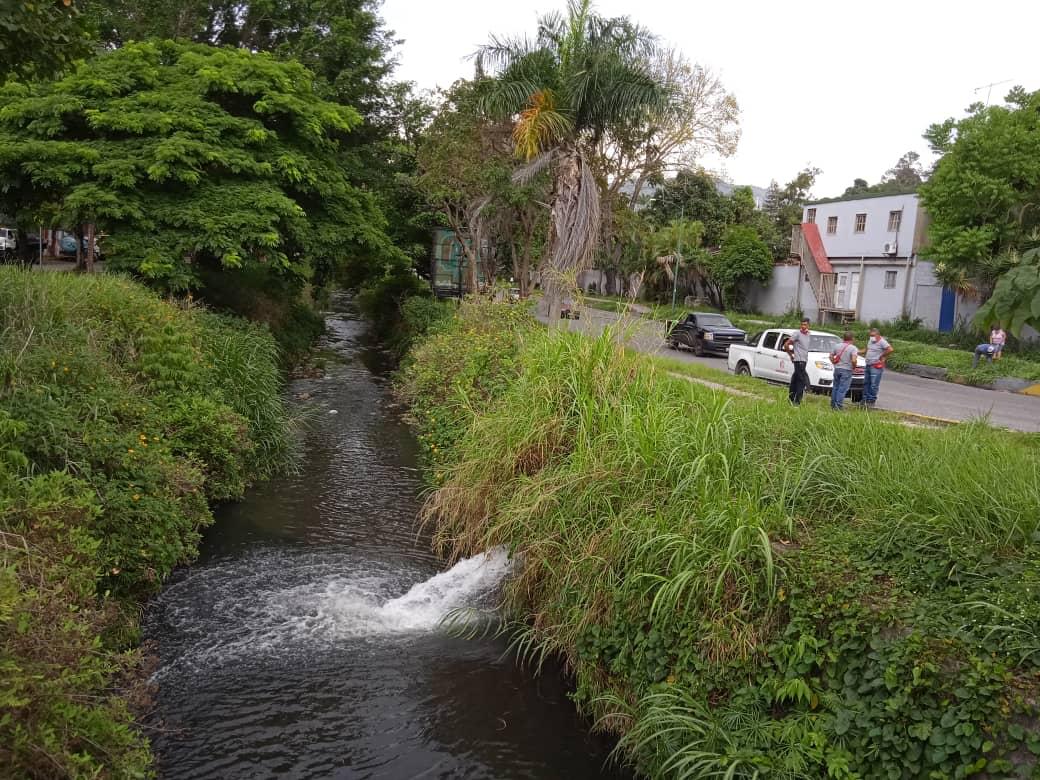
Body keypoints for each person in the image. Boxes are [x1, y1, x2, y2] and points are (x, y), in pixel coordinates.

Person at [783, 318, 813, 406]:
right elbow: (786, 345)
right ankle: (797, 402)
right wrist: (791, 355)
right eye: (802, 324)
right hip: (799, 360)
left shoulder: (808, 334)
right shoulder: (797, 334)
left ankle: (791, 398)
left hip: (804, 360)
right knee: (801, 381)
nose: (803, 326)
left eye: (805, 325)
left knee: (795, 380)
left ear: (808, 325)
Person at [861, 327, 893, 408]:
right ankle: (864, 399)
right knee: (866, 383)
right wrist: (855, 351)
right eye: (870, 335)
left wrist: (882, 356)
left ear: (878, 335)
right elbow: (866, 349)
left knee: (874, 384)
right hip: (868, 364)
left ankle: (871, 400)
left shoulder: (882, 342)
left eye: (873, 335)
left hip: (875, 366)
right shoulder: (871, 341)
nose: (871, 337)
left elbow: (890, 349)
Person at [829, 331, 859, 411]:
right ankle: (838, 407)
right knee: (842, 389)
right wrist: (854, 367)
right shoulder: (853, 348)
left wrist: (834, 363)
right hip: (847, 370)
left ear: (844, 338)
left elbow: (831, 356)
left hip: (837, 369)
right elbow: (853, 360)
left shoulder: (837, 346)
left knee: (835, 387)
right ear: (852, 338)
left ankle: (833, 405)